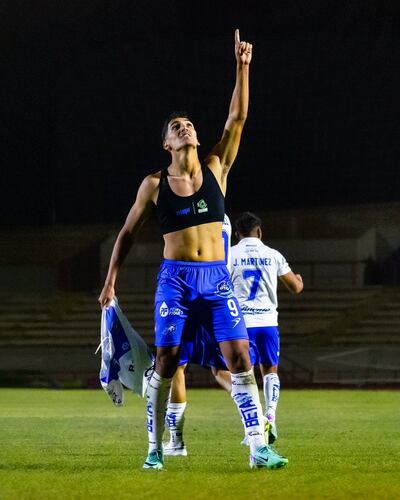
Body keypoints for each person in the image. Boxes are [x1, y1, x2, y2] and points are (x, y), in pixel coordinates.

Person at [99, 29, 288, 471]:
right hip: (176, 281)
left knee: (240, 357)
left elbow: (237, 119)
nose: (184, 128)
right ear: (167, 144)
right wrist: (110, 281)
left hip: (217, 280)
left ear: (197, 138)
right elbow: (126, 234)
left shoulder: (216, 167)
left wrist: (242, 67)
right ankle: (154, 448)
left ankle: (257, 446)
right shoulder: (154, 185)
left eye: (188, 125)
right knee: (166, 362)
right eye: (175, 127)